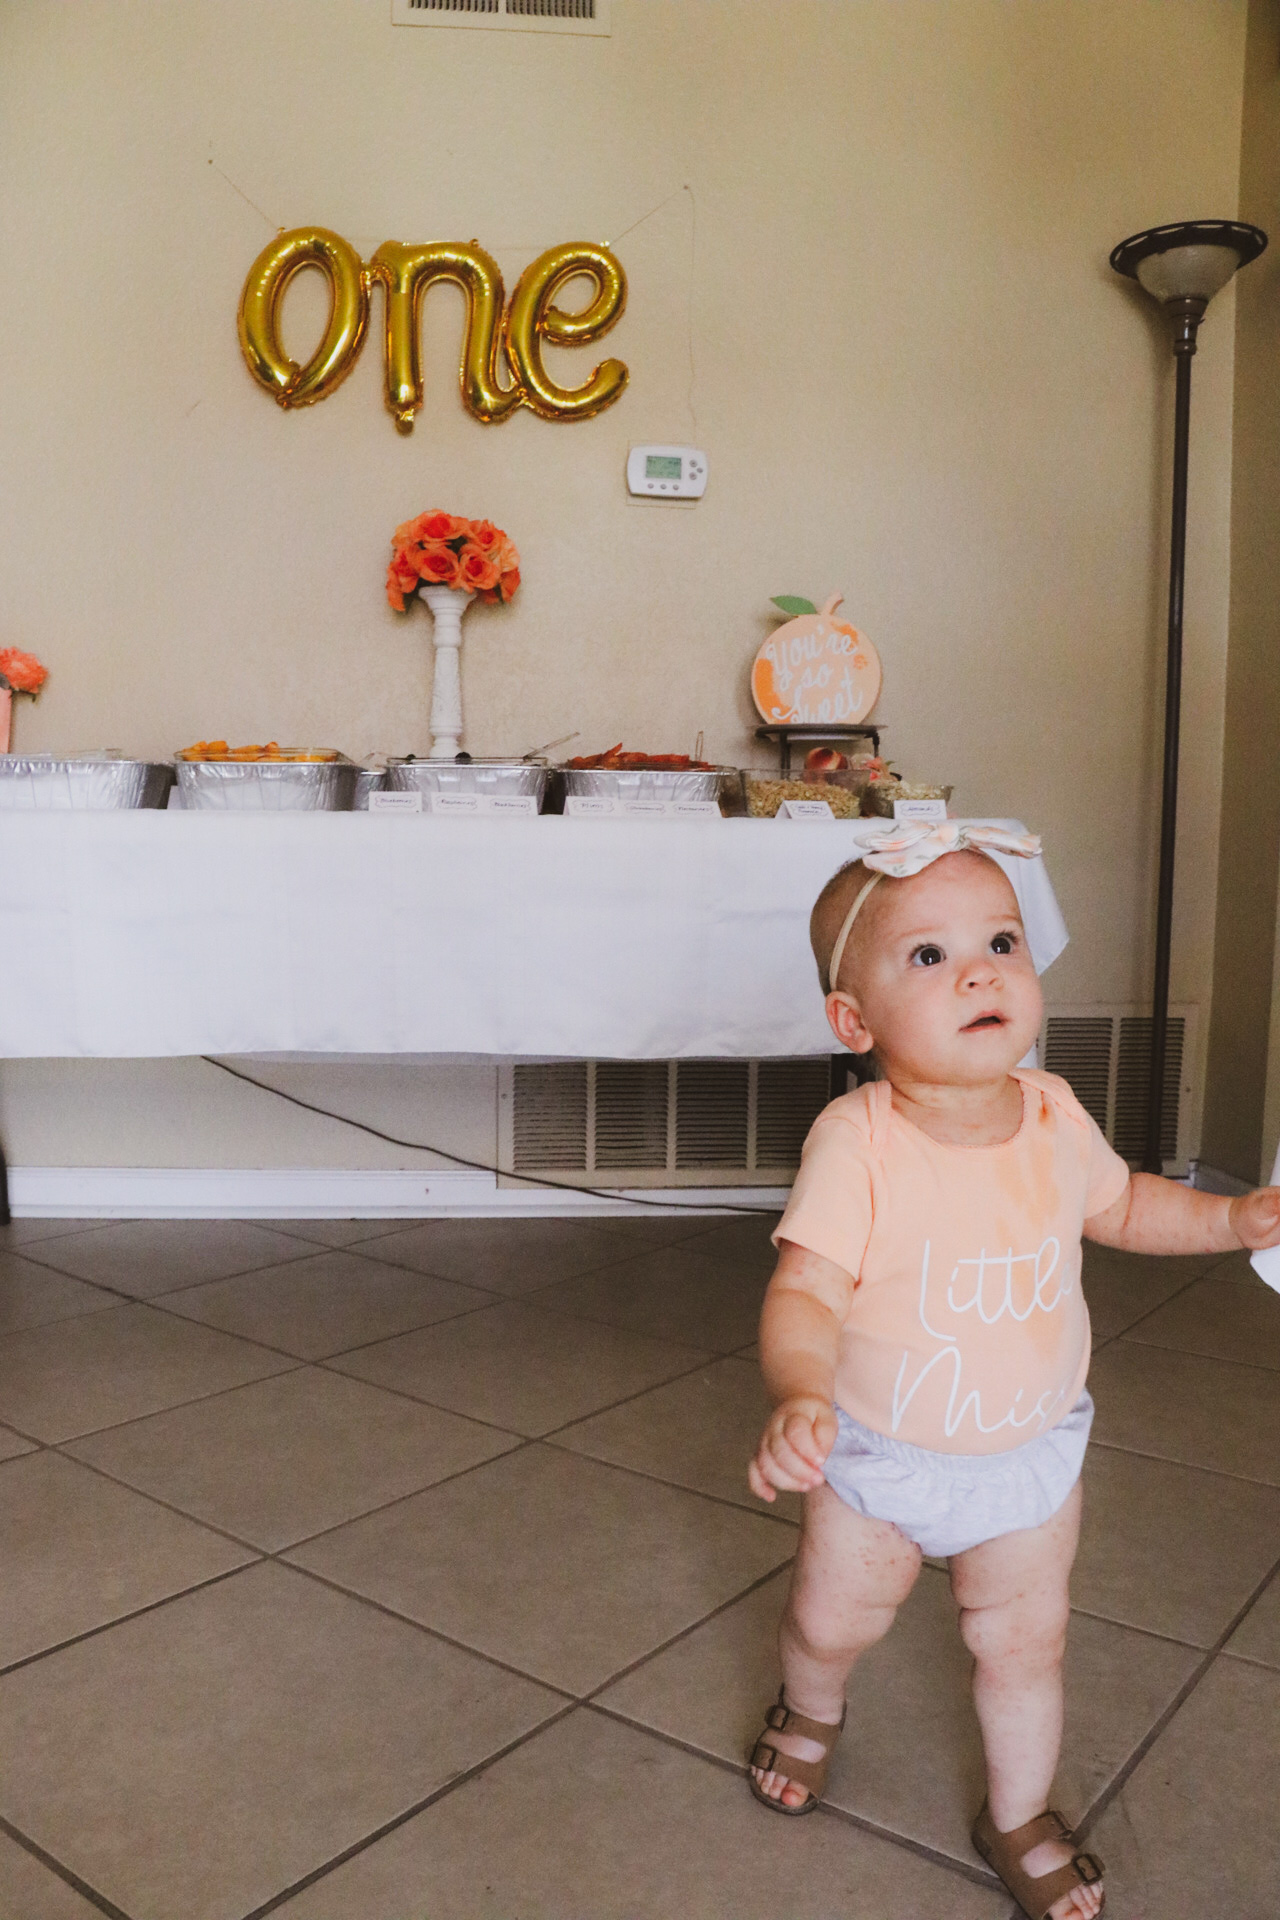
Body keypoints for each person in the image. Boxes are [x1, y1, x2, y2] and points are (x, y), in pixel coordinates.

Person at [746, 827, 1280, 1920]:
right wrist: (800, 1391)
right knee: (834, 1619)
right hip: (880, 1456)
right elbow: (805, 1291)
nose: (980, 972)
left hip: (1029, 1460)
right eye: (929, 956)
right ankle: (811, 1707)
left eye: (1000, 942)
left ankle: (1018, 1812)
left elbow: (1122, 1206)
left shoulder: (1054, 1112)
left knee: (1024, 1644)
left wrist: (1227, 1220)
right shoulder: (857, 1140)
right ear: (854, 1021)